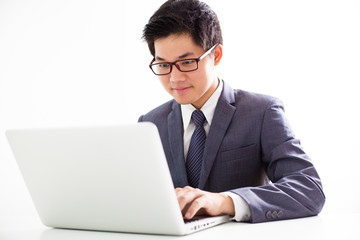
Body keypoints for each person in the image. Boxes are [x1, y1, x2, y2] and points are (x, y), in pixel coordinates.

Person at [139, 0, 325, 223]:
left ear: (216, 55)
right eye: (163, 65)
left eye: (187, 62)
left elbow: (309, 190)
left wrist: (225, 201)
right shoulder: (150, 124)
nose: (174, 78)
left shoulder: (262, 112)